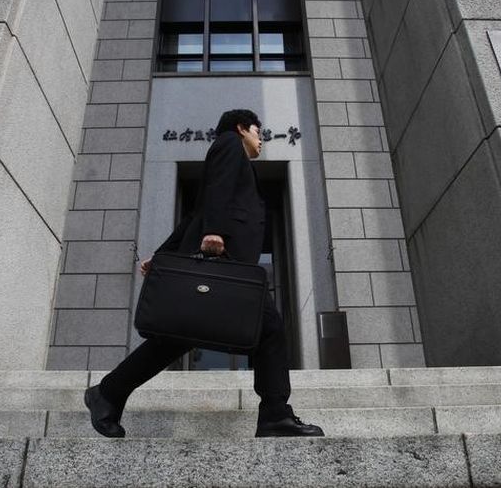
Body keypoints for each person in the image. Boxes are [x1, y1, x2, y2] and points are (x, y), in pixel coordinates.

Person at [84, 109, 324, 438]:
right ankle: (274, 415)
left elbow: (197, 209)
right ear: (241, 128)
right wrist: (215, 232)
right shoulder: (229, 144)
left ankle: (107, 393)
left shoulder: (231, 153)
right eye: (258, 132)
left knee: (174, 340)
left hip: (224, 258)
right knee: (270, 330)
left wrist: (164, 254)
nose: (261, 140)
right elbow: (216, 197)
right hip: (226, 260)